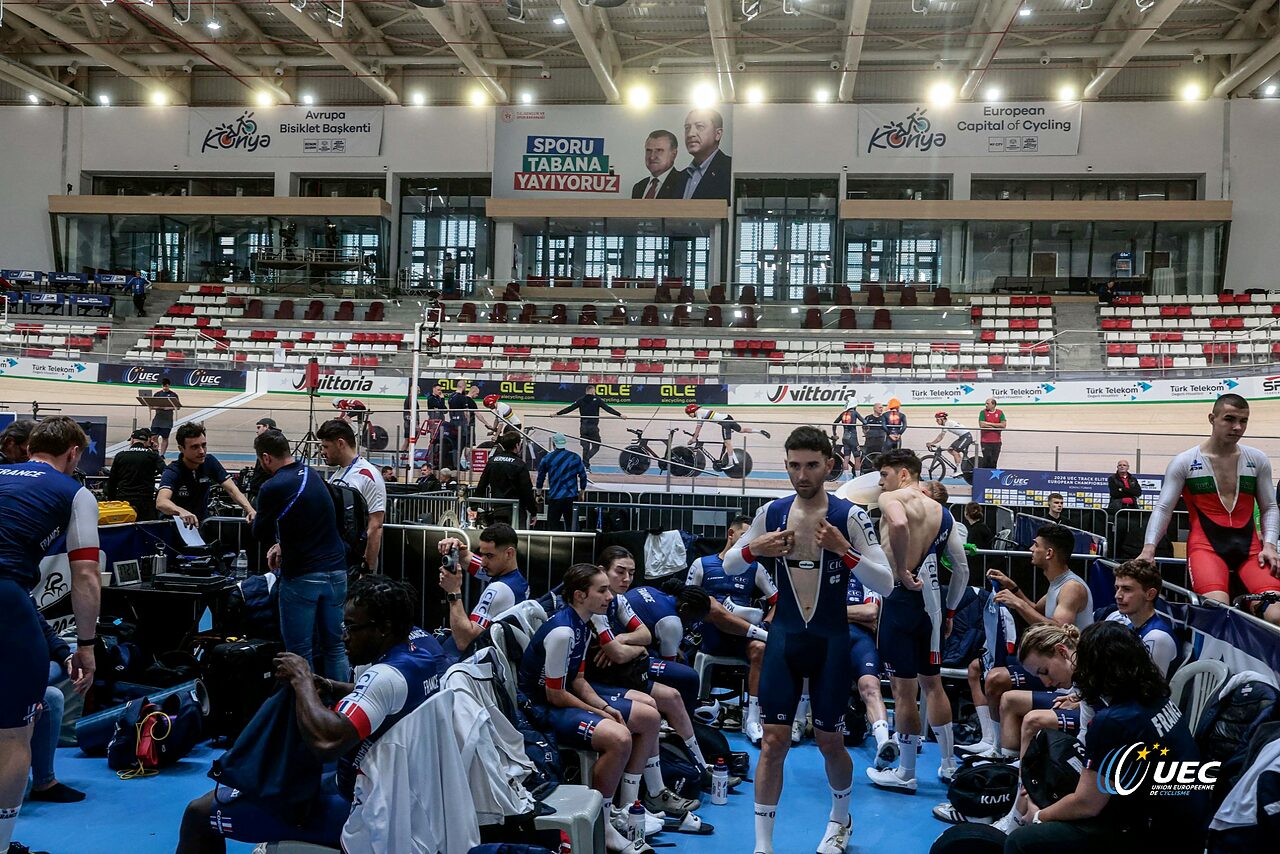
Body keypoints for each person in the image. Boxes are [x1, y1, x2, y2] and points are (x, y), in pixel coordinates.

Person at [178, 577, 448, 854]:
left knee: (198, 814)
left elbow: (327, 743)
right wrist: (332, 686)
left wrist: (302, 678)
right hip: (405, 799)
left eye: (352, 627)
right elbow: (388, 698)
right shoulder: (423, 656)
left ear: (383, 629)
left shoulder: (383, 677)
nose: (344, 635)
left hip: (361, 810)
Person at [722, 426, 894, 854]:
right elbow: (728, 566)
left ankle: (840, 820)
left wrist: (845, 551)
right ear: (786, 465)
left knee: (829, 741)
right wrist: (753, 549)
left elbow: (886, 584)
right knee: (773, 742)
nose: (802, 474)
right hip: (784, 641)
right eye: (795, 465)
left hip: (831, 644)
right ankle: (763, 845)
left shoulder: (848, 516)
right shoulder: (772, 512)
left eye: (812, 465)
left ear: (829, 466)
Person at [1002, 621, 1211, 853]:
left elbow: (1087, 804)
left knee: (1022, 841)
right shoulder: (1157, 696)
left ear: (1097, 665)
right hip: (1190, 820)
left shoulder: (1113, 721)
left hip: (1156, 834)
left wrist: (1038, 815)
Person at [0, 417, 99, 854]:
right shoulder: (75, 492)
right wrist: (85, 645)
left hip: (10, 596)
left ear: (28, 447)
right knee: (11, 735)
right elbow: (86, 577)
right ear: (74, 453)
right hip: (5, 599)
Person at [517, 564, 663, 853]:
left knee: (648, 717)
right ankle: (604, 825)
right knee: (619, 738)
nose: (609, 596)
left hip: (562, 699)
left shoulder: (586, 623)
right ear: (580, 595)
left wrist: (604, 706)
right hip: (538, 710)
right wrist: (599, 712)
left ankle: (626, 807)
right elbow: (555, 694)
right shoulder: (562, 632)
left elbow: (580, 680)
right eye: (602, 590)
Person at [866, 449, 971, 792]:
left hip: (900, 600)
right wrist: (951, 610)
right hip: (933, 605)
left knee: (903, 689)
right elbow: (962, 568)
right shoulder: (942, 512)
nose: (880, 481)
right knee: (933, 683)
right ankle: (949, 763)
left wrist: (900, 571)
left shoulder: (891, 497)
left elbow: (897, 523)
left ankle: (907, 772)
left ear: (904, 475)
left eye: (884, 473)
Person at [588, 548, 717, 821]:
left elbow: (643, 638)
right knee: (658, 705)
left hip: (618, 674)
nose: (626, 579)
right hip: (590, 683)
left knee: (670, 697)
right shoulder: (593, 605)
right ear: (601, 570)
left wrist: (624, 643)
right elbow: (618, 653)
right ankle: (636, 802)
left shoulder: (618, 601)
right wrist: (628, 647)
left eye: (631, 573)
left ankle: (697, 766)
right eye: (619, 572)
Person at [960, 524, 1094, 758]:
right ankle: (989, 738)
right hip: (1052, 661)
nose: (1031, 549)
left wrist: (1017, 603)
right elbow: (1035, 609)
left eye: (1036, 545)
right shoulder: (1057, 583)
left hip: (1062, 670)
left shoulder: (1071, 587)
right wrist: (1014, 588)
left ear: (1049, 553)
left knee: (995, 678)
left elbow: (1059, 631)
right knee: (975, 667)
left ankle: (998, 748)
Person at [1141, 393, 1280, 616]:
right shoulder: (1185, 461)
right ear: (1212, 418)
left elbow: (1270, 507)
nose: (1237, 427)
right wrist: (1149, 550)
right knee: (1218, 613)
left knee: (1276, 615)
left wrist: (1270, 545)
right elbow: (1163, 508)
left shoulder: (1257, 459)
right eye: (1229, 419)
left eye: (1243, 421)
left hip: (1251, 550)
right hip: (1206, 548)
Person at [251, 429, 350, 681]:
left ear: (265, 458)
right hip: (337, 571)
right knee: (336, 648)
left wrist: (256, 519)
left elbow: (260, 531)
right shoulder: (313, 474)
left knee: (299, 654)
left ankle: (305, 715)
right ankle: (339, 707)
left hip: (303, 575)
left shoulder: (273, 486)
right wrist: (283, 543)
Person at [686, 515, 777, 745]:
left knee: (759, 649)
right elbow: (686, 600)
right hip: (711, 634)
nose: (749, 540)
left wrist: (765, 622)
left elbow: (779, 601)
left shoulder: (755, 568)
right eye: (745, 535)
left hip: (743, 637)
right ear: (730, 534)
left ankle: (753, 720)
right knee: (712, 605)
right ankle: (758, 632)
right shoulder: (702, 564)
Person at [436, 523, 530, 653]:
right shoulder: (514, 579)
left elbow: (465, 641)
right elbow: (469, 559)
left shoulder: (499, 589)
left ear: (509, 553)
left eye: (489, 556)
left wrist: (453, 592)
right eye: (482, 555)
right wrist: (456, 549)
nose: (483, 561)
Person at [318, 418, 386, 574]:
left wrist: (366, 569)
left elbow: (375, 526)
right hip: (335, 561)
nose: (322, 452)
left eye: (326, 446)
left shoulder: (368, 475)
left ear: (341, 443)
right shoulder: (337, 474)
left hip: (353, 565)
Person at [156, 422, 255, 528]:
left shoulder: (210, 461)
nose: (202, 451)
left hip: (202, 523)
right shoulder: (172, 470)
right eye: (195, 447)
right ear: (181, 449)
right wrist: (181, 512)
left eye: (204, 445)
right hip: (176, 526)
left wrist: (250, 510)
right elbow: (161, 502)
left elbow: (232, 489)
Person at [30, 616, 85, 804]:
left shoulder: (19, 592)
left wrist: (66, 656)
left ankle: (44, 783)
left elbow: (45, 630)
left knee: (52, 697)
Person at [845, 571, 894, 770]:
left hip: (861, 643)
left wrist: (832, 612)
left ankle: (883, 743)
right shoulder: (825, 571)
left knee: (870, 687)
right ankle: (797, 723)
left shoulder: (867, 576)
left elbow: (871, 612)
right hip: (830, 642)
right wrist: (856, 615)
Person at [1107, 558, 1179, 680]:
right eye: (1117, 588)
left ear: (1150, 594)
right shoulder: (1128, 624)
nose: (1117, 595)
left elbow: (1148, 692)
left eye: (1127, 589)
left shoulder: (1157, 637)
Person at [474, 431, 538, 527]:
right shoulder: (519, 464)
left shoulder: (492, 461)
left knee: (499, 537)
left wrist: (473, 505)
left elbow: (482, 485)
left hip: (497, 508)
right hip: (516, 509)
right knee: (517, 537)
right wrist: (533, 511)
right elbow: (526, 490)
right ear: (517, 445)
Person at [555, 389, 626, 471]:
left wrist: (557, 414)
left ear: (586, 392)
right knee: (596, 445)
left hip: (583, 427)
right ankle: (584, 463)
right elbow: (608, 409)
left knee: (585, 448)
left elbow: (569, 408)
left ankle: (585, 466)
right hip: (593, 427)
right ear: (593, 391)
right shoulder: (597, 400)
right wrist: (620, 415)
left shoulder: (580, 400)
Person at [684, 403, 770, 471]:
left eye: (688, 414)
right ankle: (759, 431)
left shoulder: (698, 413)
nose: (689, 416)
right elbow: (699, 427)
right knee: (741, 430)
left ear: (692, 411)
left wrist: (694, 439)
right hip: (728, 417)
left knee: (727, 443)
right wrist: (695, 436)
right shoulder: (702, 411)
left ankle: (730, 463)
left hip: (724, 423)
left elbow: (698, 427)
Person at [106, 428, 165, 521]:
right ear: (148, 442)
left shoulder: (120, 455)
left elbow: (112, 482)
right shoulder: (152, 456)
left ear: (132, 440)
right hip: (145, 501)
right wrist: (155, 451)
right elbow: (164, 471)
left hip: (123, 501)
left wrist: (112, 501)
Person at [537, 433, 588, 531]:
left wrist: (538, 494)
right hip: (571, 496)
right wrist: (581, 493)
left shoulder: (547, 458)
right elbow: (583, 476)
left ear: (553, 444)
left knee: (552, 528)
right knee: (572, 527)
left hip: (555, 496)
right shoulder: (575, 457)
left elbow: (540, 478)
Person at [681, 109, 732, 200]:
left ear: (718, 134)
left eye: (700, 127)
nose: (690, 134)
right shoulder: (680, 177)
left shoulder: (730, 170)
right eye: (687, 128)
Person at [632, 130, 687, 199]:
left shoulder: (684, 184)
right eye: (649, 150)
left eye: (659, 150)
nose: (652, 157)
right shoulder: (639, 187)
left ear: (673, 154)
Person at [149, 377, 180, 457]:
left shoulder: (173, 395)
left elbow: (178, 407)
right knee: (153, 437)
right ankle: (155, 452)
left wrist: (168, 408)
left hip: (167, 421)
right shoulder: (157, 394)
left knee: (165, 437)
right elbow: (151, 406)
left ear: (169, 385)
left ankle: (162, 454)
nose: (165, 387)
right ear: (161, 385)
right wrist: (158, 407)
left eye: (166, 386)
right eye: (163, 386)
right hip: (157, 419)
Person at [831, 401, 864, 475]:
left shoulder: (843, 413)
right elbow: (864, 421)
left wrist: (835, 434)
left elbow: (834, 423)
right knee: (857, 458)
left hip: (845, 437)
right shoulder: (855, 413)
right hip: (853, 438)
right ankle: (857, 477)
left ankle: (846, 479)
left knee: (846, 458)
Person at [978, 397, 1006, 468]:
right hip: (985, 441)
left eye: (988, 403)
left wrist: (989, 424)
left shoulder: (1000, 412)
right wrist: (996, 427)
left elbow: (1003, 425)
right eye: (986, 403)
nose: (986, 405)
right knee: (987, 459)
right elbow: (982, 424)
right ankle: (985, 475)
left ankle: (992, 476)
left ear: (993, 405)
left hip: (997, 441)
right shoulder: (983, 412)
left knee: (994, 461)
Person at [861, 402, 887, 466]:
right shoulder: (868, 418)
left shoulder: (884, 418)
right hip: (870, 442)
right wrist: (867, 434)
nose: (881, 409)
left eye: (882, 408)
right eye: (880, 407)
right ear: (875, 409)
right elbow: (864, 428)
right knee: (867, 457)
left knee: (879, 458)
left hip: (880, 442)